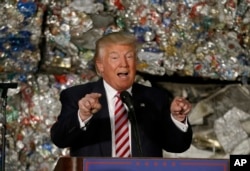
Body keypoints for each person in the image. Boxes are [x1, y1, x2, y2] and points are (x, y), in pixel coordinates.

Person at [50, 31, 193, 157]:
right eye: (114, 58)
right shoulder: (76, 96)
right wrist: (83, 115)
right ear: (100, 65)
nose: (124, 64)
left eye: (129, 57)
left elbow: (176, 146)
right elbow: (60, 139)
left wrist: (177, 119)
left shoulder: (155, 98)